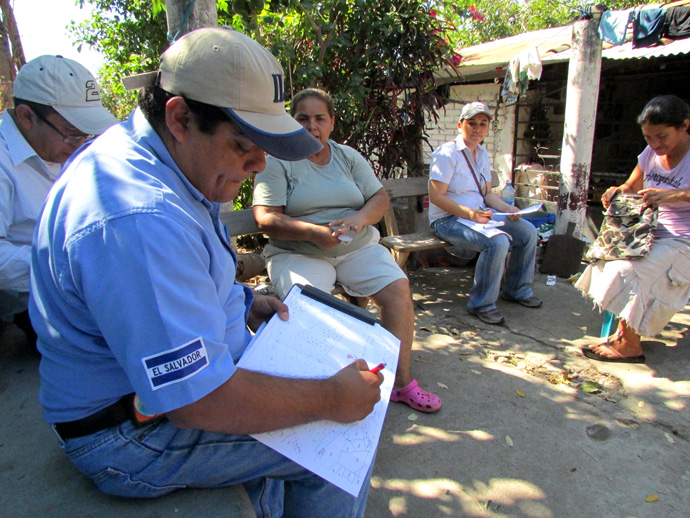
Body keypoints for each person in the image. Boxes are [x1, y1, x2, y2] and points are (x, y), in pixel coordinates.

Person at [30, 28, 382, 518]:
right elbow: (198, 403)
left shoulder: (165, 160)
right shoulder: (139, 217)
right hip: (128, 434)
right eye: (244, 145)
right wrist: (329, 399)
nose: (260, 164)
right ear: (180, 117)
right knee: (340, 434)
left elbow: (187, 271)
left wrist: (239, 300)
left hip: (147, 402)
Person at [253, 88, 441, 413]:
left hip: (356, 248)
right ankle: (328, 390)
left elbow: (379, 198)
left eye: (320, 118)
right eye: (303, 118)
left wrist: (358, 220)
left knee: (398, 289)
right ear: (291, 121)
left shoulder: (347, 156)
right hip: (299, 253)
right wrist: (313, 233)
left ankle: (400, 382)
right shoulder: (278, 160)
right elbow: (265, 218)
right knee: (311, 305)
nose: (312, 126)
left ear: (331, 123)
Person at [0, 55, 116, 346]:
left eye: (85, 135)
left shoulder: (59, 148)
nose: (79, 145)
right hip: (33, 301)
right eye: (71, 134)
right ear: (26, 117)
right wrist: (71, 271)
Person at [577, 95, 690, 364]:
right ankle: (623, 334)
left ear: (685, 125)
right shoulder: (650, 153)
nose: (655, 144)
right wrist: (617, 192)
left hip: (683, 239)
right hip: (649, 229)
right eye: (649, 138)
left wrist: (675, 195)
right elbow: (632, 186)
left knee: (628, 270)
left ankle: (629, 345)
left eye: (661, 136)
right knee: (607, 261)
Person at [428, 101, 541, 325]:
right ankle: (482, 303)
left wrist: (509, 209)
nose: (477, 128)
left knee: (527, 232)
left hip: (479, 217)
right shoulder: (446, 154)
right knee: (497, 242)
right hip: (448, 220)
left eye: (483, 123)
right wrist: (470, 214)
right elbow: (436, 196)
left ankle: (517, 289)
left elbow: (487, 194)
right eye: (471, 123)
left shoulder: (481, 153)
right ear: (460, 125)